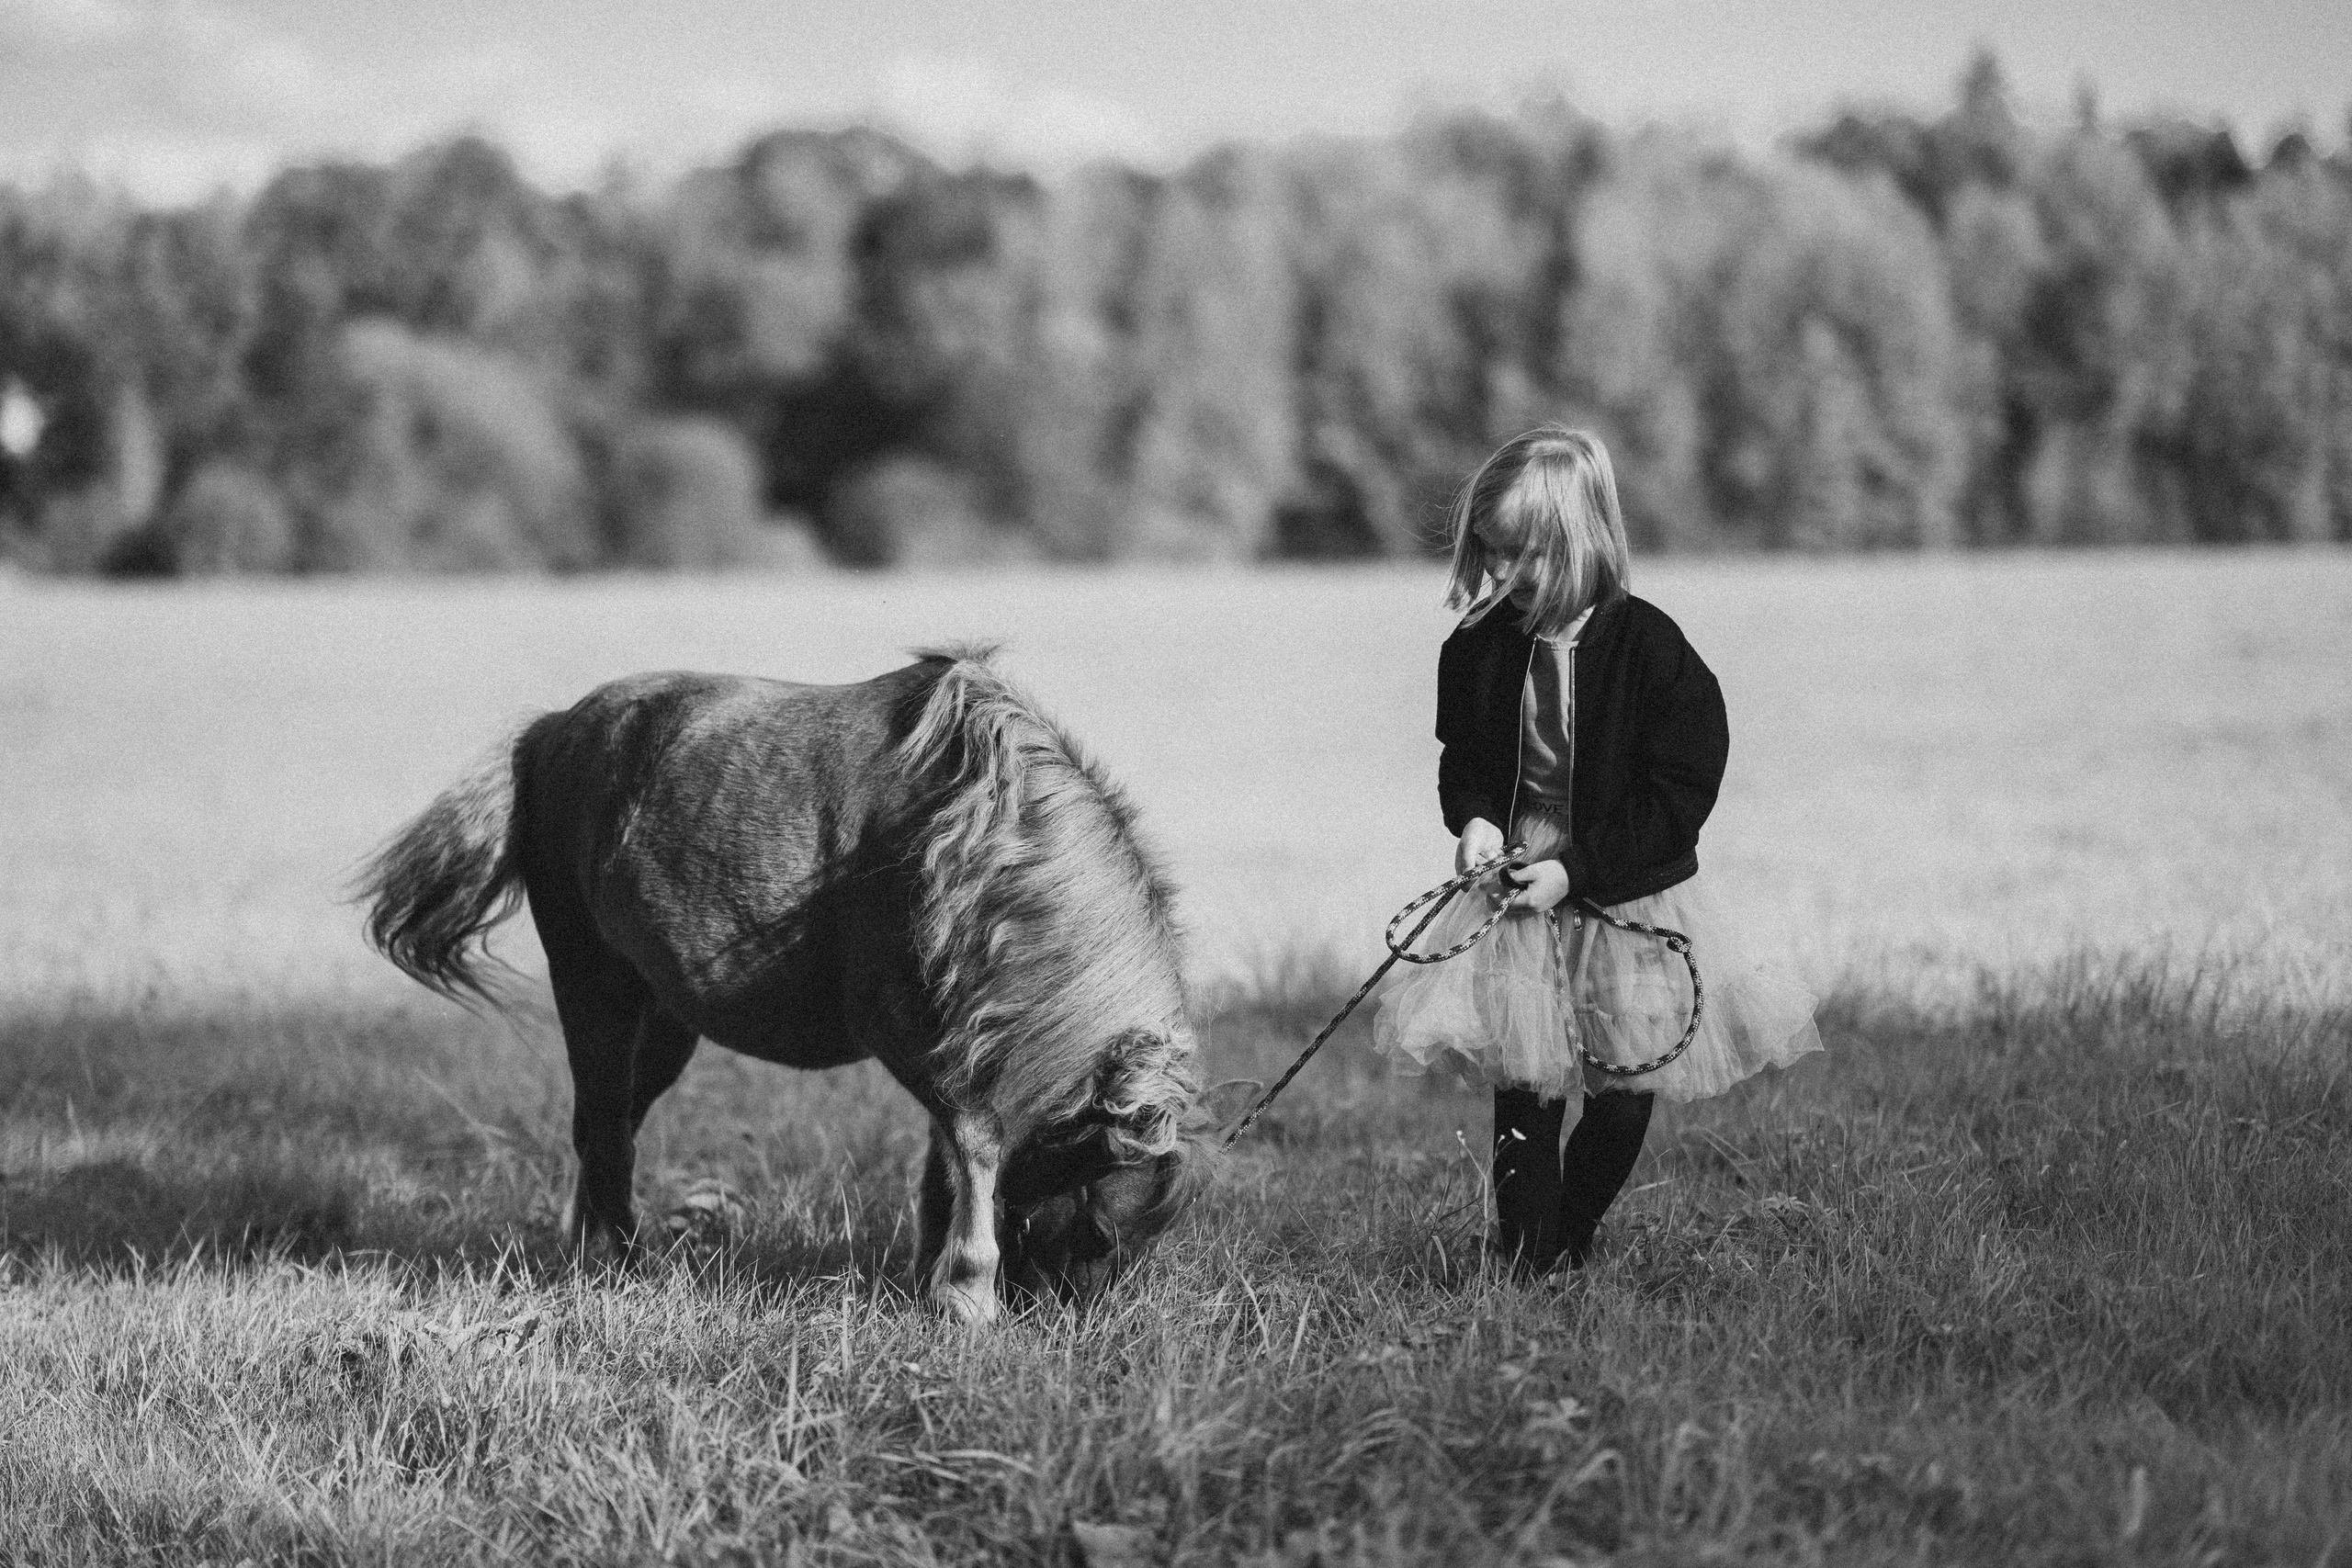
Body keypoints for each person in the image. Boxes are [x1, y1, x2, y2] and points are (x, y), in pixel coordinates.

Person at [1373, 427, 1822, 1276]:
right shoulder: (1477, 647)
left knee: (1623, 1093)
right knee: (1528, 1084)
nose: (1504, 573)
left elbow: (1679, 795)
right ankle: (1528, 1261)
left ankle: (1568, 1234)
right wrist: (1474, 822)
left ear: (1583, 540)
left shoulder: (1654, 652)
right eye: (1491, 552)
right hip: (1519, 887)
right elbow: (1464, 763)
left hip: (1624, 883)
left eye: (1524, 554)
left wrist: (1577, 870)